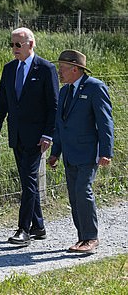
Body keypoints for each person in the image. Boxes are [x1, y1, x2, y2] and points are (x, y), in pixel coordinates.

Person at [0, 27, 59, 246]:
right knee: (27, 181)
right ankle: (38, 226)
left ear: (30, 44)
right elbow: (3, 101)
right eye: (11, 44)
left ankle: (24, 229)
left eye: (17, 45)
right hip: (16, 135)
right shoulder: (9, 69)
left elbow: (53, 106)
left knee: (29, 182)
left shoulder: (46, 69)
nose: (14, 49)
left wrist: (49, 133)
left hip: (37, 137)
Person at [48, 50, 114, 254]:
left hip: (88, 152)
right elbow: (60, 125)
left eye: (62, 68)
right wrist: (55, 152)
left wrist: (106, 151)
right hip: (70, 153)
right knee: (74, 197)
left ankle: (91, 238)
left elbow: (105, 122)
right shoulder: (65, 91)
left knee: (83, 192)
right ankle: (82, 238)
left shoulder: (95, 87)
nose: (59, 72)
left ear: (75, 68)